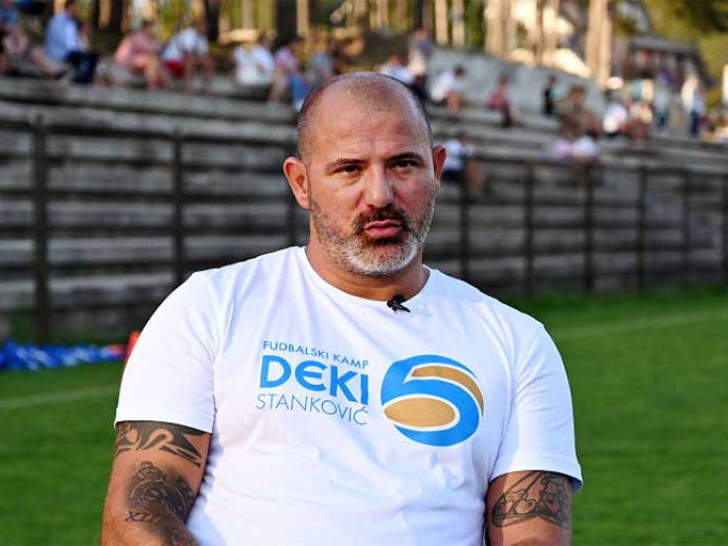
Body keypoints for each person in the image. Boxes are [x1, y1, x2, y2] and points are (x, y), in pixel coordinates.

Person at [101, 72, 582, 546]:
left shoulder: (517, 344)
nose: (380, 195)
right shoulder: (211, 307)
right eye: (350, 169)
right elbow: (135, 517)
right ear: (301, 182)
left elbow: (534, 537)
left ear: (436, 170)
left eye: (403, 165)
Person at [44, 0, 97, 84]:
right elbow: (64, 42)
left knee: (92, 56)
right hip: (61, 53)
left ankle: (84, 81)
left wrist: (82, 48)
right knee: (85, 58)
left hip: (70, 52)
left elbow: (74, 42)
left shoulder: (72, 23)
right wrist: (80, 49)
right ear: (69, 7)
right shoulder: (58, 21)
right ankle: (81, 82)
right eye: (76, 7)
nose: (77, 10)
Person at [161, 19, 214, 94]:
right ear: (197, 26)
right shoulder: (189, 34)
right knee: (190, 60)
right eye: (202, 26)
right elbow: (189, 53)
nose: (204, 28)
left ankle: (206, 87)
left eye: (206, 27)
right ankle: (188, 87)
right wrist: (201, 59)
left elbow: (204, 55)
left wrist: (204, 60)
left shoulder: (203, 38)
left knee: (209, 62)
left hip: (183, 60)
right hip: (171, 59)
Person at [114, 19, 169, 90]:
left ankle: (165, 85)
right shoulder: (138, 36)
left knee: (157, 63)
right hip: (126, 61)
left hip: (136, 61)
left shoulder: (146, 37)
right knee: (151, 60)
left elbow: (157, 50)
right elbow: (151, 50)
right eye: (152, 28)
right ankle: (152, 85)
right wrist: (154, 39)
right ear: (146, 27)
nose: (154, 30)